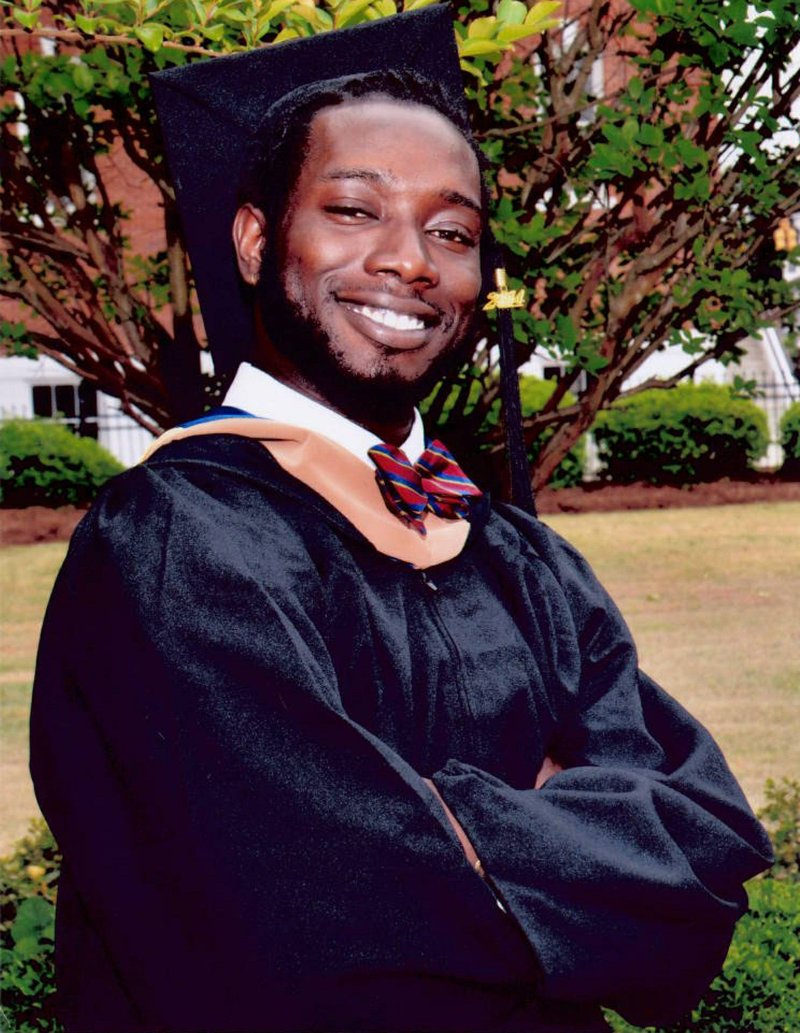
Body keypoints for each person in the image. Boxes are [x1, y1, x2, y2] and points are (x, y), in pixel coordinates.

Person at [31, 9, 772, 1033]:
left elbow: (704, 840)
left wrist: (447, 829)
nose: (409, 261)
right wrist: (567, 834)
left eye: (451, 229)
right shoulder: (174, 542)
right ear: (255, 241)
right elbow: (297, 911)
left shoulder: (513, 554)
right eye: (352, 210)